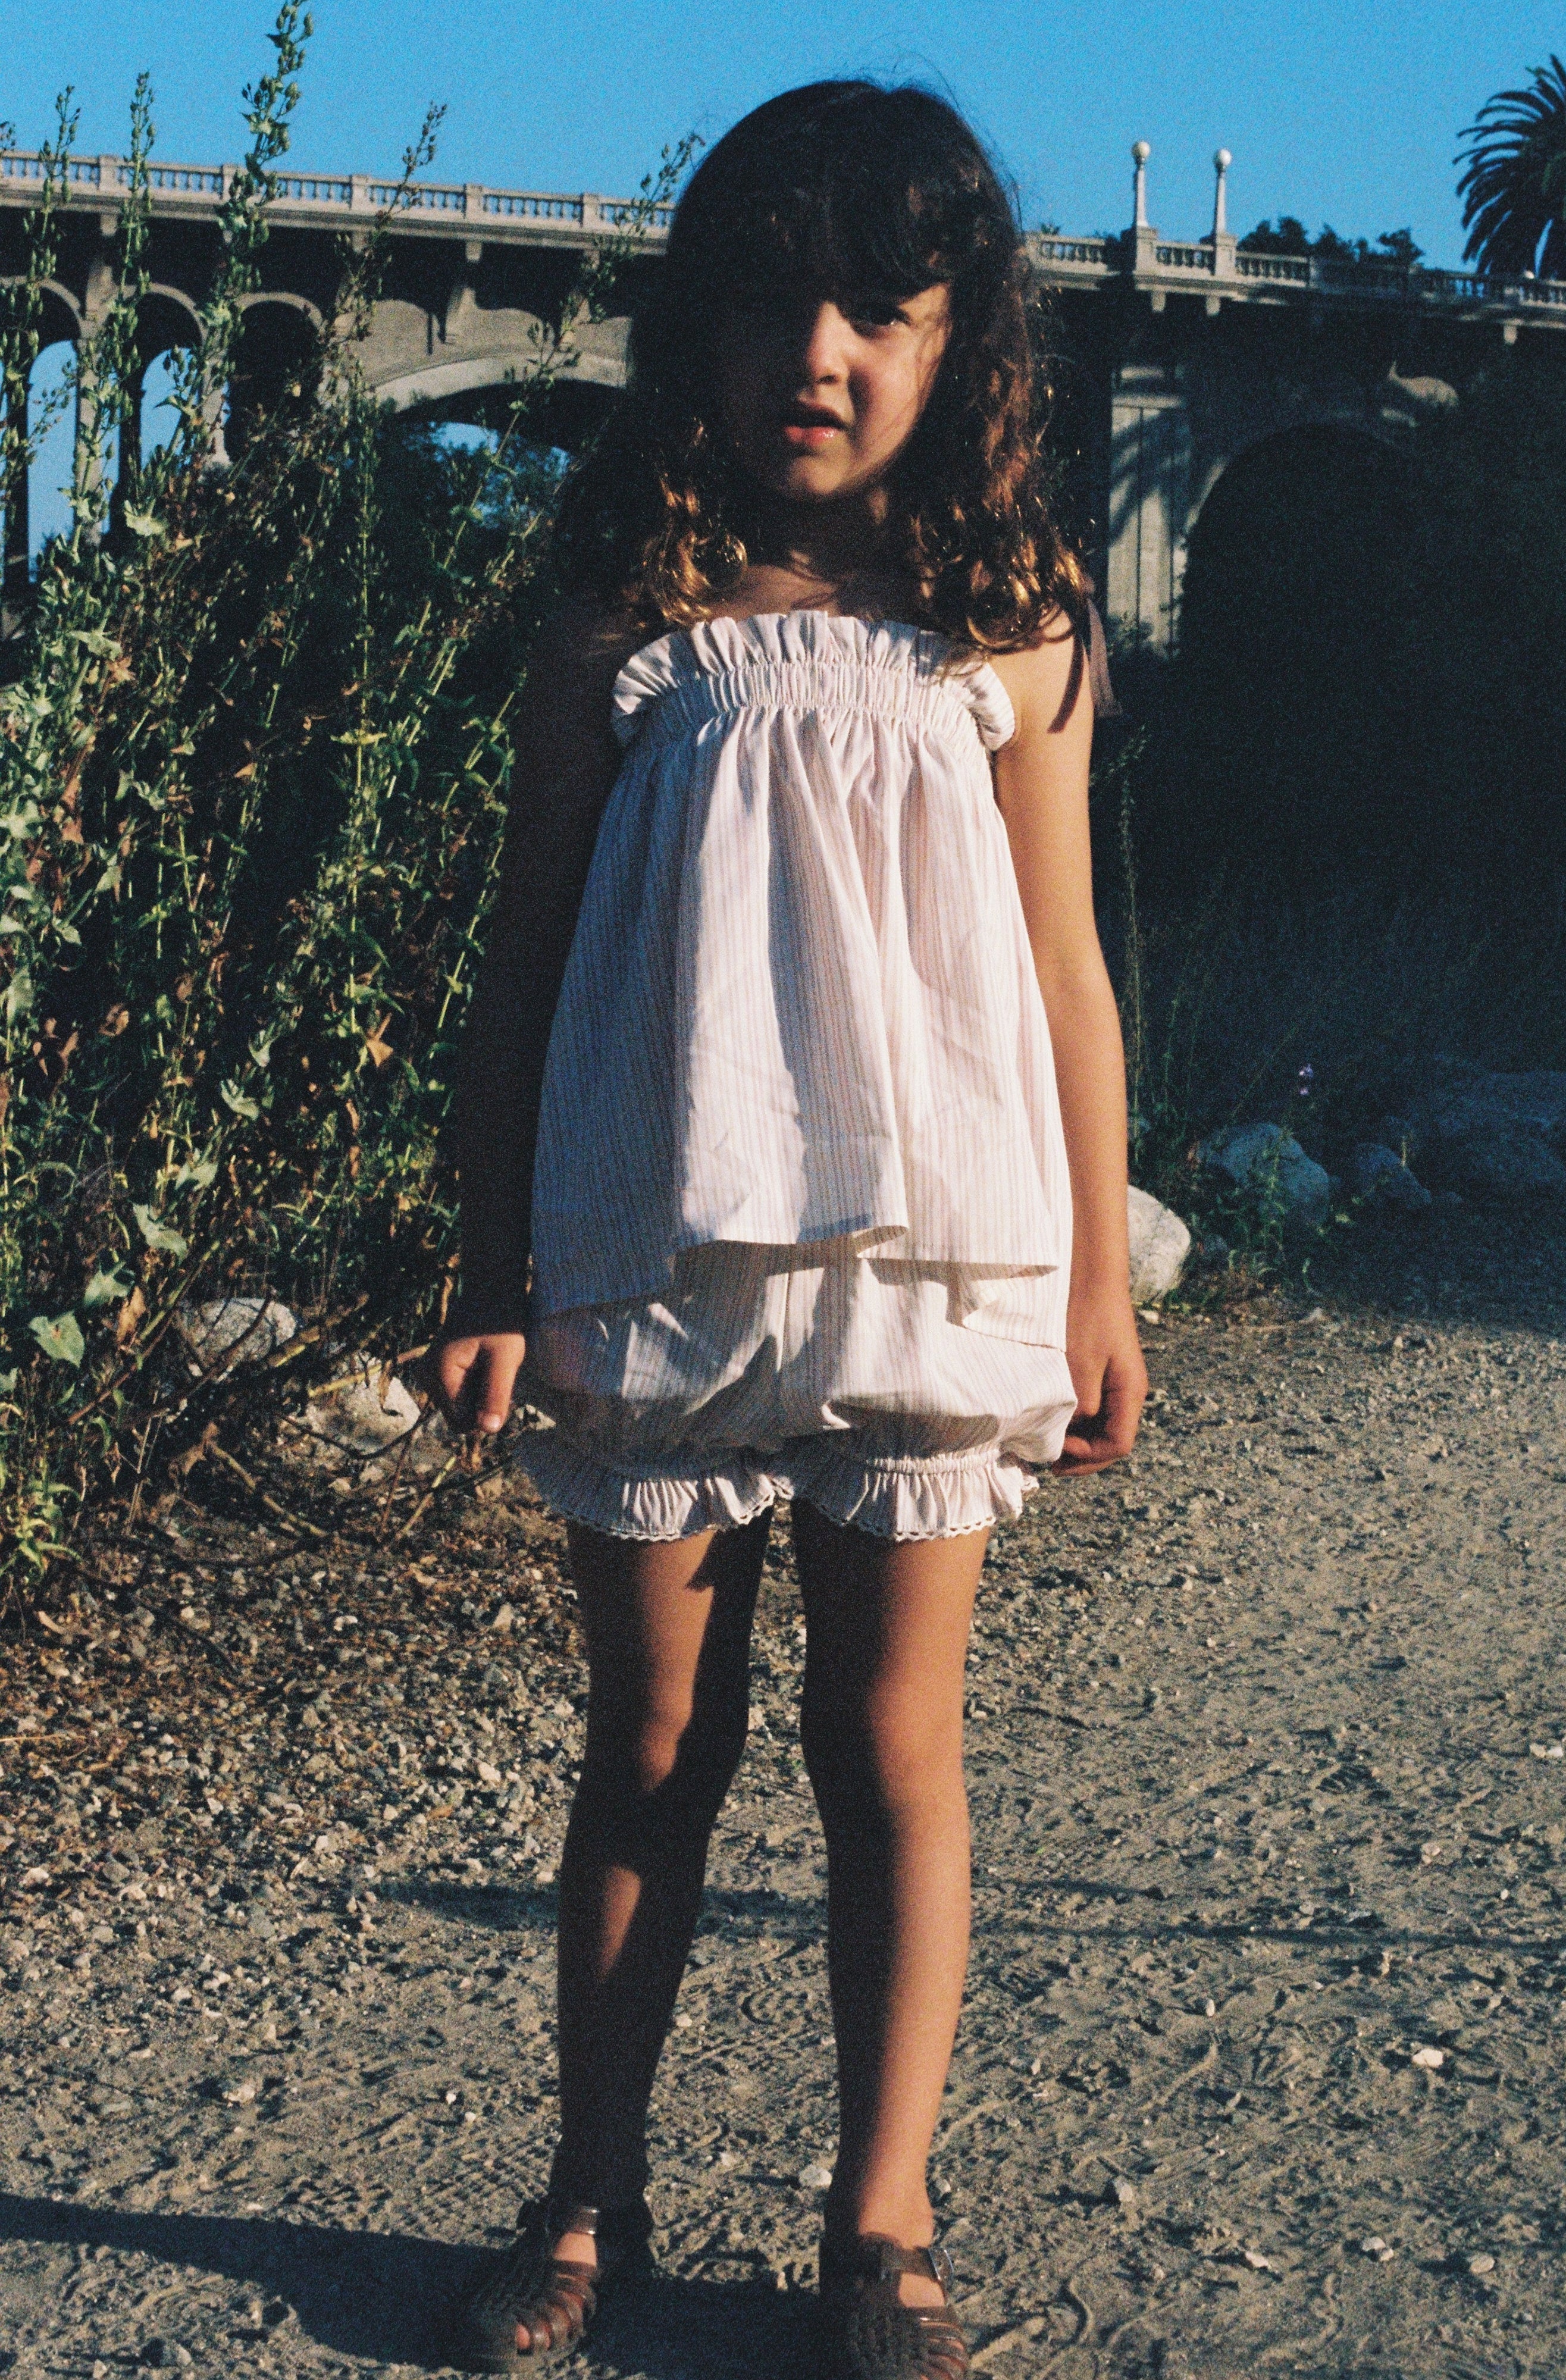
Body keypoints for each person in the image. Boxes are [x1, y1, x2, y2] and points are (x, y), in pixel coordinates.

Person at [431, 79, 1145, 2379]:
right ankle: (588, 2188)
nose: (814, 358)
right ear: (698, 331)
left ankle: (879, 2221)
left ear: (961, 345)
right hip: (655, 1247)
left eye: (877, 313)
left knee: (889, 1749)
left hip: (934, 1264)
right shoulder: (628, 605)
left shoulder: (1015, 623)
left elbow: (1065, 973)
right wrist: (485, 1265)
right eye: (768, 305)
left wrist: (1098, 1280)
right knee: (650, 1745)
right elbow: (526, 945)